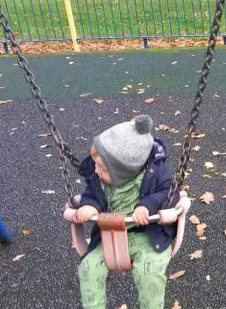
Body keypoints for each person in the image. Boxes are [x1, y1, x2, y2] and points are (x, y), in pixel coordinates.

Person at [73, 114, 175, 309]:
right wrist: (89, 206)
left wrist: (147, 205)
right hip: (109, 237)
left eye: (102, 169)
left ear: (121, 172)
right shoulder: (100, 180)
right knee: (88, 268)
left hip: (148, 237)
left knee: (150, 271)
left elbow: (168, 191)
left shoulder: (154, 174)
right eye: (96, 165)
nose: (96, 171)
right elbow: (92, 195)